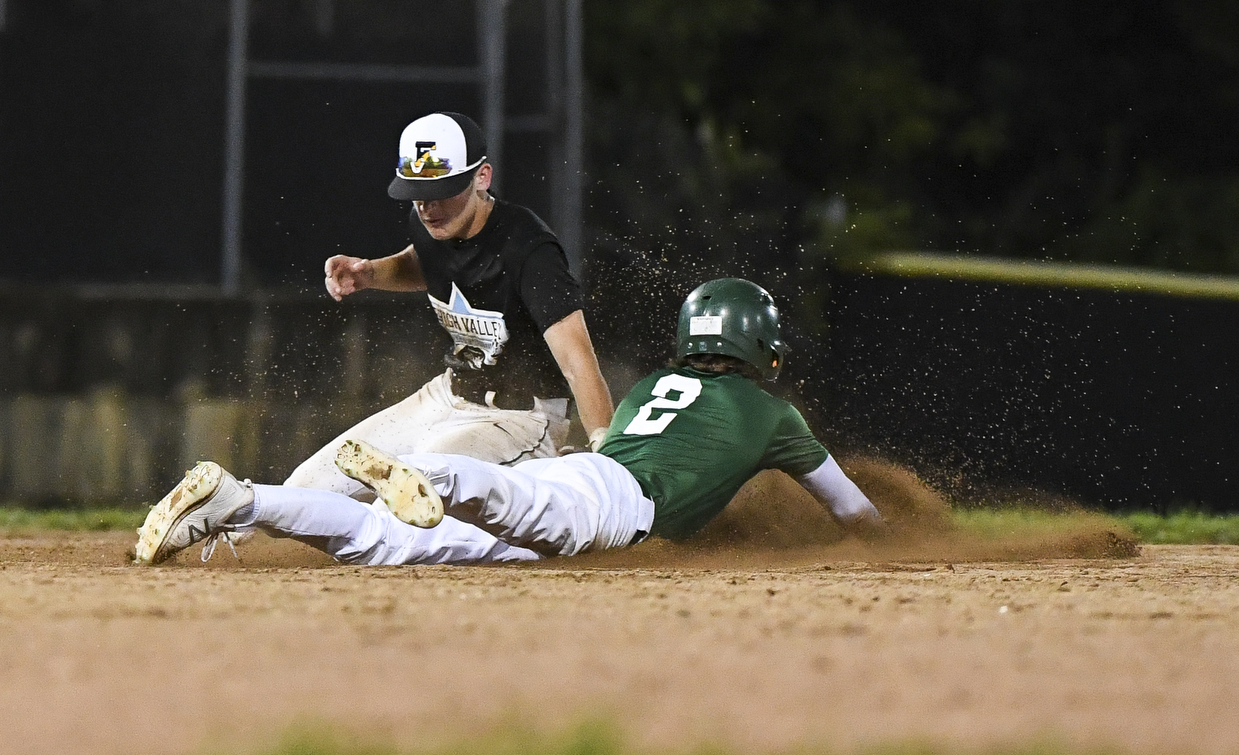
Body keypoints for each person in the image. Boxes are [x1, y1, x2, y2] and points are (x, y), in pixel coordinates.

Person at [133, 279, 885, 567]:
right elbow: (853, 510)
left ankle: (241, 499)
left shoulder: (658, 381)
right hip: (610, 508)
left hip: (582, 476)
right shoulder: (775, 413)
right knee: (502, 502)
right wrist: (892, 544)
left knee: (388, 543)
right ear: (759, 342)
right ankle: (423, 475)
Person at [283, 111, 614, 501]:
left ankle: (543, 478)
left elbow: (579, 363)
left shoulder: (528, 248)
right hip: (448, 396)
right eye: (417, 193)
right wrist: (371, 273)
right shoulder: (429, 223)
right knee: (306, 488)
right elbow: (425, 261)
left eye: (442, 190)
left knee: (421, 482)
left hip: (522, 418)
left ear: (482, 177)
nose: (427, 207)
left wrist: (604, 460)